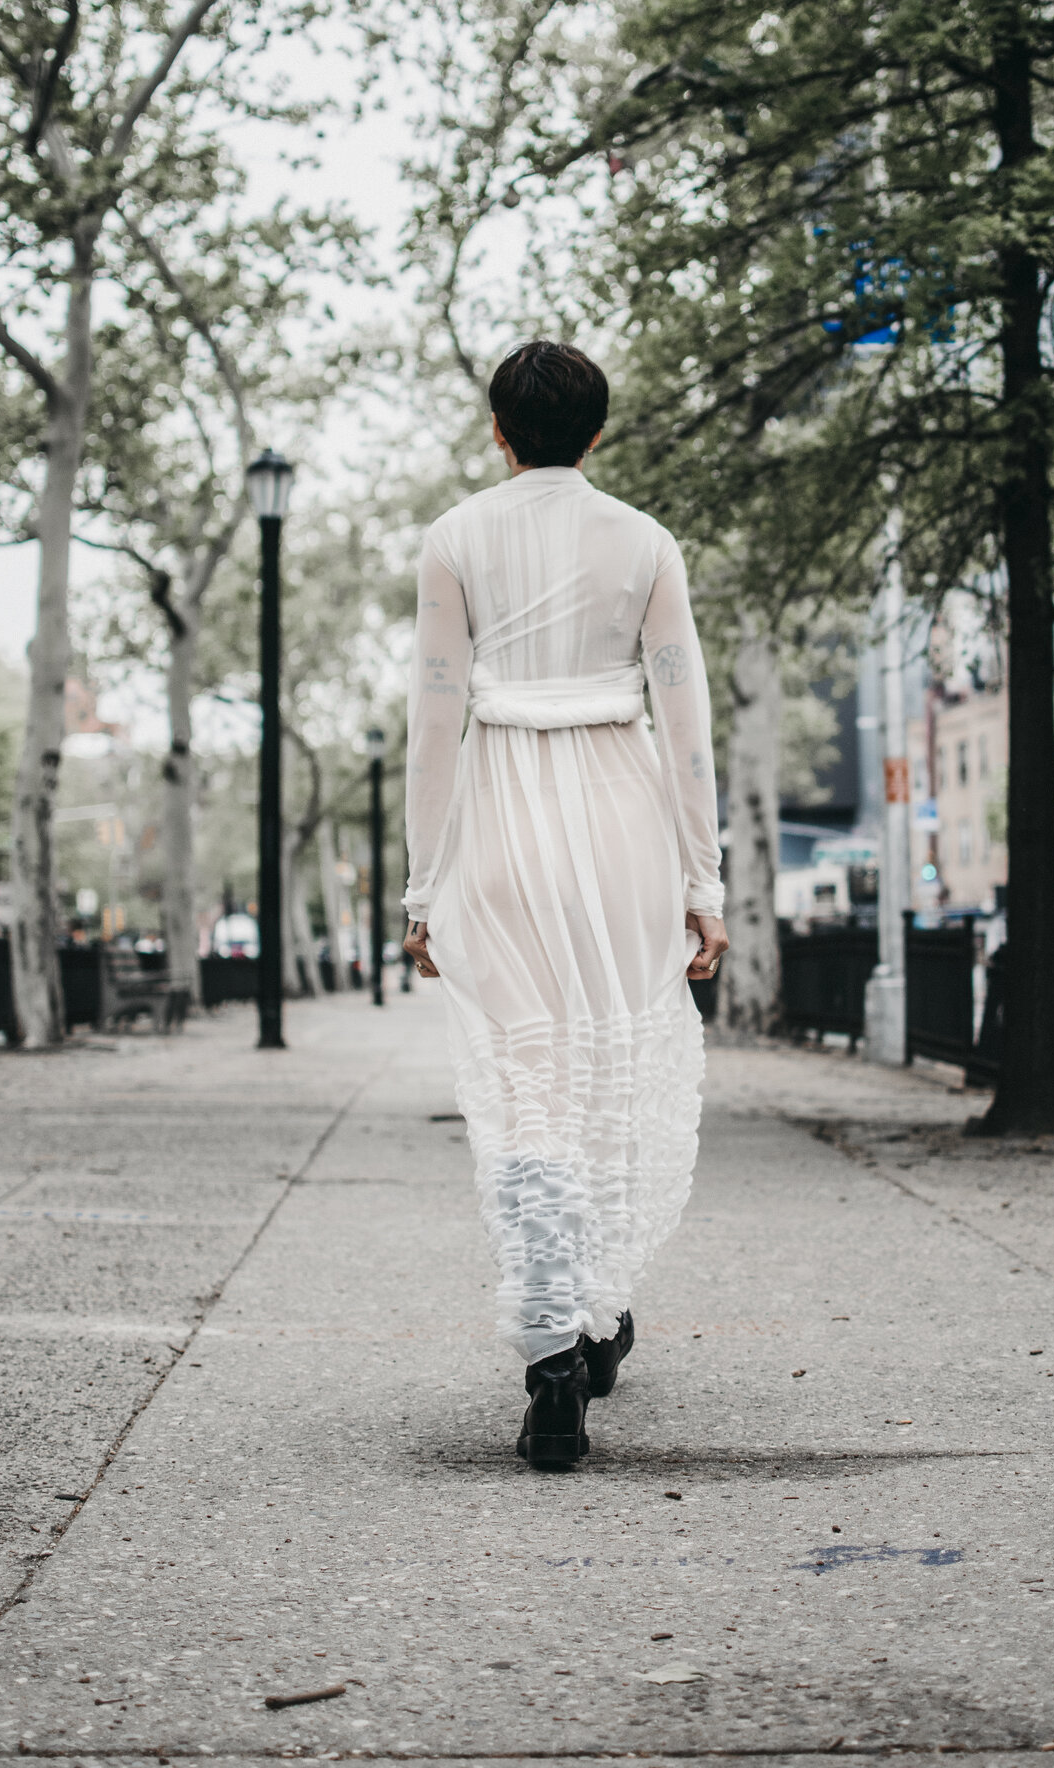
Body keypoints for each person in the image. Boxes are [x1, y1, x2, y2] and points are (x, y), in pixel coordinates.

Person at [402, 340, 728, 1470]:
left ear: (499, 429)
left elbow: (433, 720)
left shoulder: (454, 539)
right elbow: (685, 727)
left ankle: (552, 1358)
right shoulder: (644, 541)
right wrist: (703, 881)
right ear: (597, 431)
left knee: (529, 1081)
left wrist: (421, 883)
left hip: (495, 822)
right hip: (622, 821)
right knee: (610, 1063)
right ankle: (594, 1314)